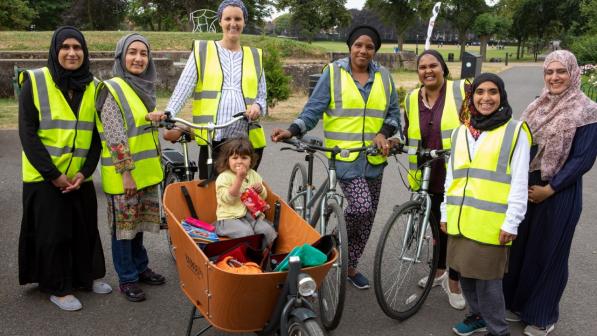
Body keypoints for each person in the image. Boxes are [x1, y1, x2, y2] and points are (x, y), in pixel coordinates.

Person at [271, 25, 401, 289]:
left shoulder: (385, 77)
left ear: (375, 50)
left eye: (369, 47)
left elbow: (393, 114)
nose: (363, 50)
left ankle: (350, 266)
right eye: (359, 45)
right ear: (350, 47)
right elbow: (313, 110)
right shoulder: (333, 73)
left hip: (374, 159)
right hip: (343, 158)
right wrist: (293, 129)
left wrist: (384, 132)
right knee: (361, 207)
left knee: (368, 216)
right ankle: (332, 240)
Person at [502, 50, 597, 336]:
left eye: (561, 72)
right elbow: (519, 146)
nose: (554, 77)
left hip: (560, 192)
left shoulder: (587, 110)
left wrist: (550, 189)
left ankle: (542, 314)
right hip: (527, 187)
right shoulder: (535, 106)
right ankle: (516, 303)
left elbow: (583, 159)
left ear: (573, 73)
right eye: (549, 72)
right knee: (520, 249)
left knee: (549, 251)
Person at [18, 26, 111, 311]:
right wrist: (54, 176)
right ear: (55, 50)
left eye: (78, 48)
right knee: (53, 233)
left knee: (84, 229)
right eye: (66, 47)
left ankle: (86, 277)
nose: (72, 53)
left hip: (78, 176)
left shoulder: (93, 85)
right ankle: (58, 287)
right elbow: (28, 134)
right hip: (44, 176)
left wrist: (85, 172)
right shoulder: (34, 81)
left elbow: (96, 136)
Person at [441, 73, 531, 336]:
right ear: (472, 97)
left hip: (492, 224)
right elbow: (451, 177)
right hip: (460, 220)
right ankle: (476, 316)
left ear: (501, 96)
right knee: (465, 277)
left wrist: (512, 221)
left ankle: (498, 330)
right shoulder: (461, 132)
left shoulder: (515, 131)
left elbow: (519, 181)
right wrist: (445, 212)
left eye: (493, 92)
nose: (486, 98)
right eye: (480, 92)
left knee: (488, 286)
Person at [95, 33, 166, 302]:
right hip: (124, 176)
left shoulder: (144, 89)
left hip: (146, 172)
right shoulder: (111, 88)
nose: (138, 58)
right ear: (121, 56)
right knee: (123, 231)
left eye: (144, 53)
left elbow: (140, 127)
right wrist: (125, 173)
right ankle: (127, 278)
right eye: (132, 52)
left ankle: (140, 266)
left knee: (137, 227)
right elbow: (115, 135)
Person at [163, 0, 267, 179]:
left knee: (243, 196)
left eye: (238, 19)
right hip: (214, 138)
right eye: (228, 18)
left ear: (244, 22)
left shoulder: (254, 56)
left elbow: (262, 95)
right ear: (220, 21)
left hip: (247, 141)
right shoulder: (203, 50)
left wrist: (258, 106)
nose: (233, 24)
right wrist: (169, 114)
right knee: (212, 195)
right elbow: (184, 87)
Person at [404, 49, 466, 310]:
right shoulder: (410, 98)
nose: (428, 71)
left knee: (456, 230)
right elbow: (408, 131)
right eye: (422, 67)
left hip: (457, 174)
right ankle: (439, 271)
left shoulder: (462, 90)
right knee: (436, 229)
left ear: (444, 68)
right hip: (426, 175)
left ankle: (454, 282)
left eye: (433, 65)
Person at [214, 138, 277, 245]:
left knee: (268, 231)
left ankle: (261, 255)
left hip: (252, 216)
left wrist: (261, 190)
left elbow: (263, 196)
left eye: (244, 158)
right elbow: (228, 199)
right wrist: (239, 178)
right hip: (230, 218)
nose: (239, 161)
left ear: (250, 160)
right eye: (235, 158)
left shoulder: (253, 174)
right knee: (246, 233)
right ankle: (246, 256)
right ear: (227, 160)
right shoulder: (224, 177)